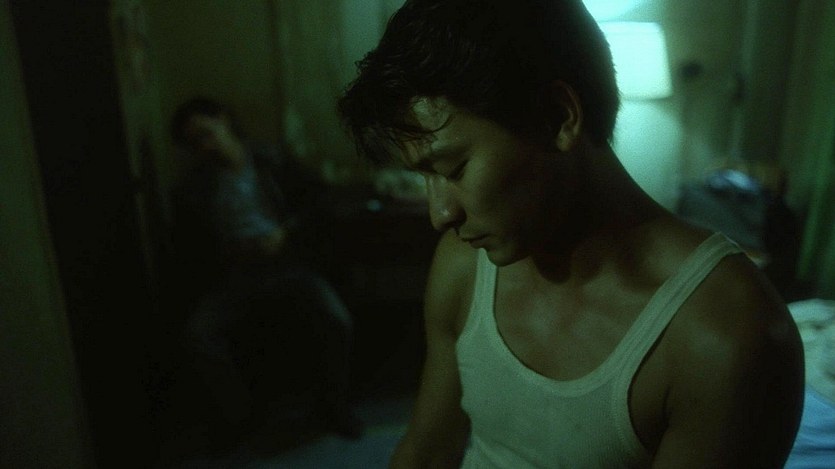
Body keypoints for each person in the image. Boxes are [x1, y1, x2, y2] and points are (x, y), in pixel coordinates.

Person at [337, 1, 804, 467]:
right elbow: (428, 448)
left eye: (454, 168)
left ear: (558, 117)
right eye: (424, 177)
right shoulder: (463, 264)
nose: (440, 214)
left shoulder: (723, 334)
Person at [169, 97, 363, 448]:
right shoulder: (196, 186)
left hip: (288, 266)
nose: (205, 146)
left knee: (336, 319)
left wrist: (285, 234)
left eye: (207, 133)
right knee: (199, 335)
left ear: (224, 120)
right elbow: (191, 249)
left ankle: (333, 407)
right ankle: (240, 417)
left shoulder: (271, 160)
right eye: (195, 143)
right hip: (237, 277)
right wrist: (225, 254)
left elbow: (319, 201)